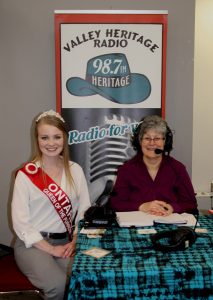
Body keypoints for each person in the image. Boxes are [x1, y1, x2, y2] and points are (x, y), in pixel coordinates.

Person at [11, 109, 91, 300]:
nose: (51, 143)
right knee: (58, 286)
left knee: (85, 279)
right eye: (44, 137)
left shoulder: (75, 170)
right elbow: (21, 223)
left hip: (66, 242)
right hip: (33, 245)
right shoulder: (26, 175)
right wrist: (51, 249)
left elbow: (85, 211)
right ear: (37, 139)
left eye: (57, 137)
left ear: (64, 138)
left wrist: (76, 240)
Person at [109, 115, 198, 216]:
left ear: (165, 142)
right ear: (140, 141)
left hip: (171, 226)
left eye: (157, 138)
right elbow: (115, 204)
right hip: (136, 228)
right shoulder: (126, 170)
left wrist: (172, 207)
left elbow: (191, 204)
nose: (152, 143)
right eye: (147, 138)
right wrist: (142, 206)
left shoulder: (178, 169)